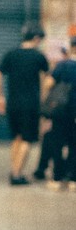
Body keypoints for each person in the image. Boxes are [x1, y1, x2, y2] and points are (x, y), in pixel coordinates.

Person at [0, 23, 49, 185]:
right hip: (30, 104)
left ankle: (14, 171)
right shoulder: (39, 57)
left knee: (16, 138)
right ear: (37, 38)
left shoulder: (11, 54)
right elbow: (47, 81)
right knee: (27, 139)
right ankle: (17, 175)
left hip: (13, 103)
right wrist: (44, 100)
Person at [44, 37, 76, 189]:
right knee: (74, 145)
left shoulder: (62, 65)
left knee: (57, 143)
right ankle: (72, 178)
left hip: (60, 112)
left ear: (71, 47)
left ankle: (57, 177)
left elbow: (48, 83)